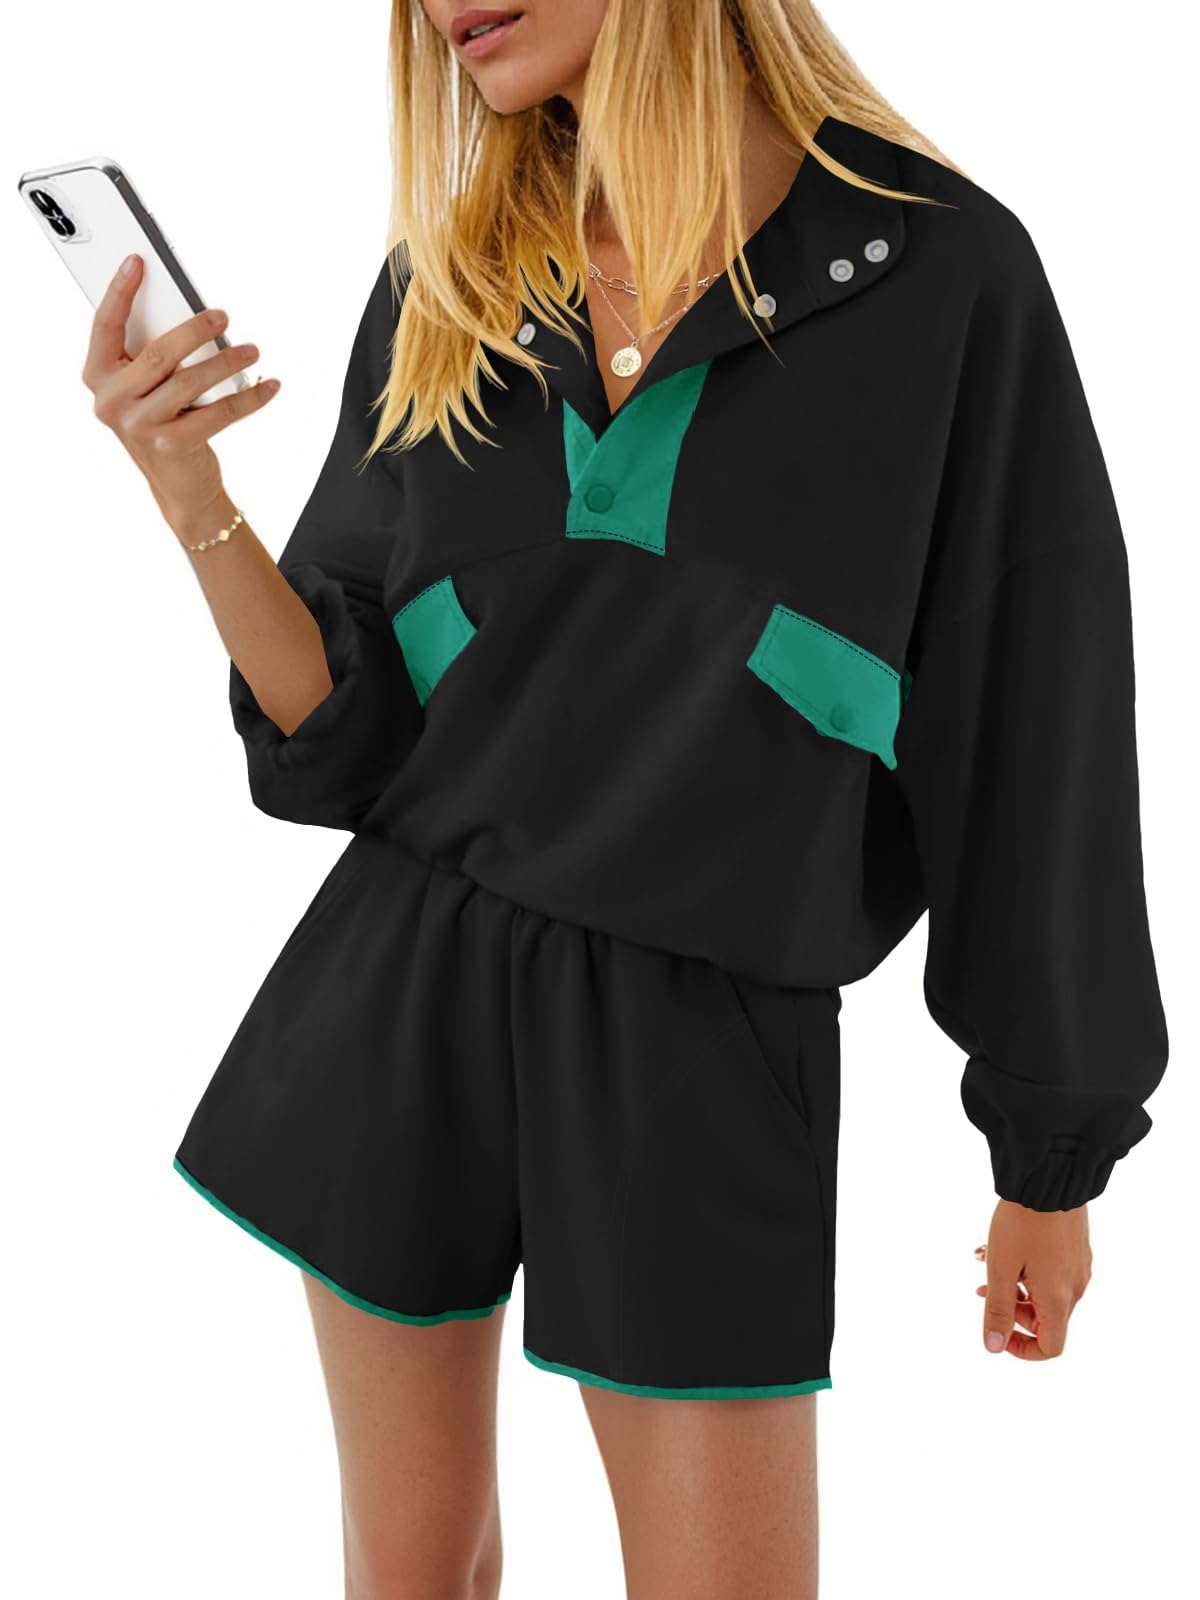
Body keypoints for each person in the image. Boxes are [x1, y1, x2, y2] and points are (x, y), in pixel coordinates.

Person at [83, 2, 1169, 1596]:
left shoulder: (941, 276)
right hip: (407, 979)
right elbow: (344, 732)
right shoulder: (454, 279)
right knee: (413, 1573)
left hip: (704, 1025)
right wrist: (192, 497)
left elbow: (1037, 719)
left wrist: (1048, 1150)